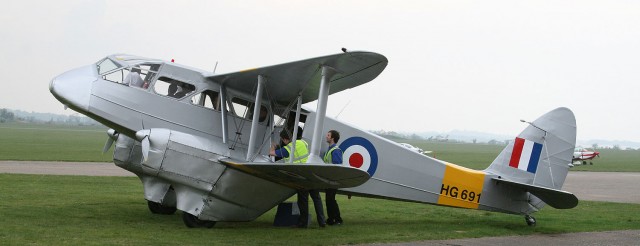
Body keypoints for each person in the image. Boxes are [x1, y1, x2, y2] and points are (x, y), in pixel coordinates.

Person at [269, 130, 325, 228]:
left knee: (303, 200)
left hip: (300, 176)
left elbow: (271, 153)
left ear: (285, 139)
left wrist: (273, 146)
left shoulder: (287, 148)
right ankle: (322, 222)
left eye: (282, 140)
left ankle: (303, 223)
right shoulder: (303, 142)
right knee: (316, 198)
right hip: (310, 172)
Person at [324, 130, 344, 225]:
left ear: (332, 138)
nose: (326, 136)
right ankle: (331, 219)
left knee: (330, 199)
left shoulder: (335, 150)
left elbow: (337, 166)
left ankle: (337, 219)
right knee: (329, 199)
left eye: (328, 135)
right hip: (329, 179)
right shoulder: (330, 149)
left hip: (333, 180)